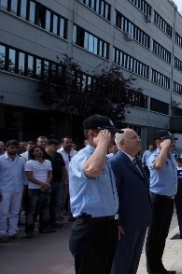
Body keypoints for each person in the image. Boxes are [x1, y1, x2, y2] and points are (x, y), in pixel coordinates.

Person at [68, 114, 122, 273]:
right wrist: (102, 144)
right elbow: (91, 170)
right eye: (108, 133)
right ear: (92, 134)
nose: (112, 137)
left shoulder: (103, 157)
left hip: (107, 225)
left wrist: (115, 221)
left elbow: (109, 196)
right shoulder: (82, 157)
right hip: (90, 227)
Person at [110, 129, 152, 274]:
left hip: (139, 220)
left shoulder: (135, 160)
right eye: (135, 138)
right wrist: (117, 221)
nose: (139, 140)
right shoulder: (116, 163)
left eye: (138, 137)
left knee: (133, 260)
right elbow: (112, 194)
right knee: (121, 262)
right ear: (123, 143)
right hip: (126, 223)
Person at [145, 130, 178, 274]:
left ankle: (159, 266)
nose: (172, 143)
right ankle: (153, 269)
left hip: (168, 200)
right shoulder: (155, 155)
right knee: (154, 235)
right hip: (157, 199)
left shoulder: (170, 156)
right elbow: (158, 165)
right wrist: (163, 148)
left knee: (162, 235)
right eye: (169, 141)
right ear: (159, 141)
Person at [24, 145, 54, 237]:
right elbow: (30, 177)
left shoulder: (48, 162)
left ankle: (44, 227)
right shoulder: (29, 163)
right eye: (36, 151)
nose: (39, 152)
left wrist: (47, 184)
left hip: (46, 188)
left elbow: (50, 174)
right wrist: (42, 184)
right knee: (32, 210)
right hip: (34, 189)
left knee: (45, 209)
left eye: (40, 150)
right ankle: (29, 230)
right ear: (32, 153)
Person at [0, 140, 26, 242]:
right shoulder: (1, 160)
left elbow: (23, 176)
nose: (14, 149)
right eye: (12, 147)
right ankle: (2, 233)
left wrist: (23, 186)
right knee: (3, 213)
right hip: (4, 189)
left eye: (16, 148)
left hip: (18, 189)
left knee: (15, 212)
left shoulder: (21, 160)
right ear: (6, 148)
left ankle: (13, 231)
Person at [43, 139, 66, 228]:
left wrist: (65, 178)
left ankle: (53, 221)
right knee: (47, 204)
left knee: (57, 203)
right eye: (54, 146)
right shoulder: (43, 156)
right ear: (47, 146)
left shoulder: (58, 155)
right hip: (48, 183)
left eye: (57, 146)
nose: (56, 148)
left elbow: (63, 168)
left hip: (58, 182)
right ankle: (46, 223)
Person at [57, 137, 76, 222]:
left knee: (73, 198)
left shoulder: (76, 153)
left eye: (70, 142)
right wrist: (64, 178)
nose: (69, 144)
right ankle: (60, 215)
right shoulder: (58, 153)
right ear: (62, 143)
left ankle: (72, 214)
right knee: (62, 198)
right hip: (63, 179)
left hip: (74, 179)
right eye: (67, 142)